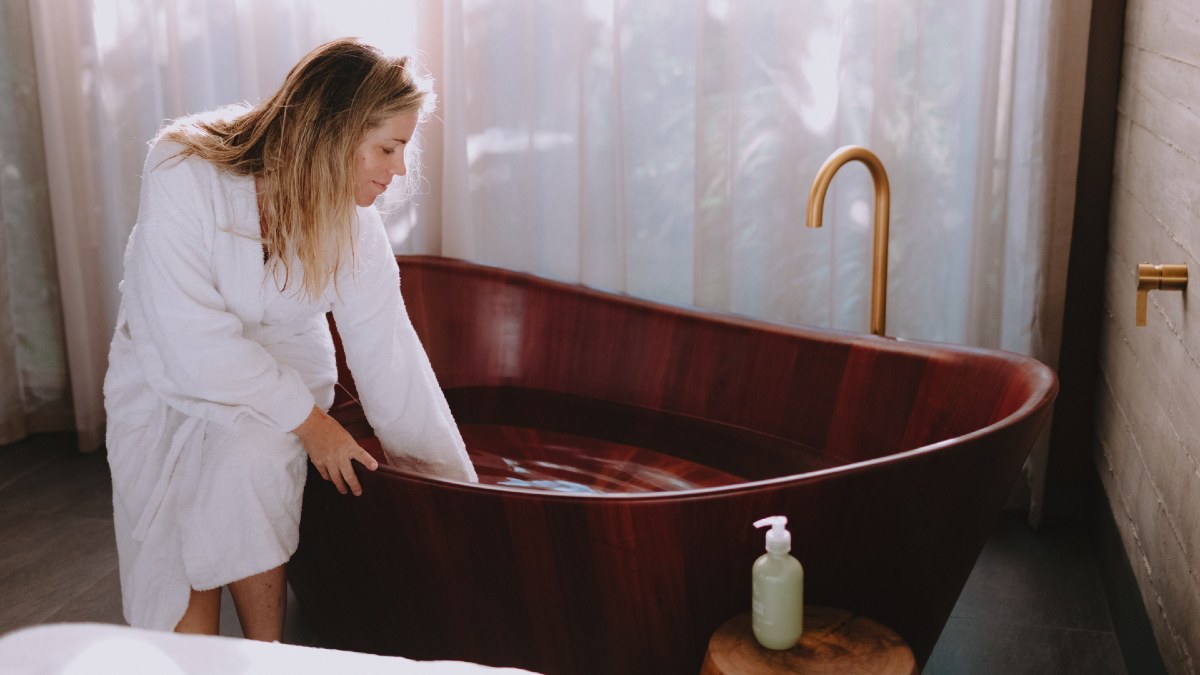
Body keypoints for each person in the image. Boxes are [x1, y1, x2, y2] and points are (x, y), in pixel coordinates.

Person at [103, 37, 477, 642]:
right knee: (176, 591)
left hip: (282, 364)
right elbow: (188, 338)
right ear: (333, 133)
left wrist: (453, 493)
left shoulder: (355, 228)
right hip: (163, 367)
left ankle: (267, 652)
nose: (400, 169)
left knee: (255, 455)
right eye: (388, 147)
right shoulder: (184, 167)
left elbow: (391, 359)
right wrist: (315, 426)